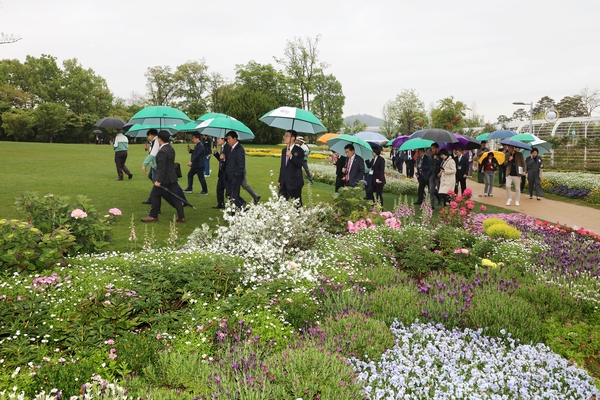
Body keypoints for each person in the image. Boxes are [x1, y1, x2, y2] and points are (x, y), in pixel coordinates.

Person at [141, 130, 185, 223]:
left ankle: (153, 216)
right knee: (175, 197)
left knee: (155, 194)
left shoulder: (162, 151)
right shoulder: (170, 148)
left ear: (159, 139)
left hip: (164, 178)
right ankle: (181, 216)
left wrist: (158, 180)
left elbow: (161, 168)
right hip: (171, 177)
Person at [278, 129, 305, 205]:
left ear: (293, 138)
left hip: (295, 182)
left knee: (297, 203)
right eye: (284, 136)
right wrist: (280, 180)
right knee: (281, 202)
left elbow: (300, 164)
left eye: (287, 136)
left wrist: (291, 156)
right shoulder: (284, 151)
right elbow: (282, 166)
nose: (284, 138)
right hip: (284, 182)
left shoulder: (299, 151)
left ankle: (299, 216)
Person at [224, 131, 247, 209]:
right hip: (229, 176)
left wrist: (235, 175)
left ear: (235, 139)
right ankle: (242, 208)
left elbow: (241, 165)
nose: (228, 141)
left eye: (229, 139)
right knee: (229, 194)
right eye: (227, 139)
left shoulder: (239, 149)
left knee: (234, 196)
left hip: (235, 177)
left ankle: (236, 213)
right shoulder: (231, 149)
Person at [141, 129, 159, 204]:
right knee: (151, 176)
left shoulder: (157, 141)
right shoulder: (154, 142)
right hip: (154, 165)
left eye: (148, 136)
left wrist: (144, 164)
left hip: (157, 165)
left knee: (157, 184)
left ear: (151, 135)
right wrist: (148, 149)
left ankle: (152, 199)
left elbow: (153, 154)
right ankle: (151, 198)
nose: (148, 138)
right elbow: (152, 152)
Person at [211, 137, 229, 209]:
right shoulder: (222, 147)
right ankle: (220, 203)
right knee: (219, 189)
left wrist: (224, 159)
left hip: (226, 173)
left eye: (219, 139)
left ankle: (241, 203)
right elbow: (221, 159)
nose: (217, 140)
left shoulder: (227, 147)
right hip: (221, 172)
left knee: (229, 191)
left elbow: (229, 160)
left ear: (223, 139)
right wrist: (216, 153)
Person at [429, 143, 442, 208]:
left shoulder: (440, 156)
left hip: (438, 176)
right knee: (431, 191)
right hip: (432, 175)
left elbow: (441, 165)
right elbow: (430, 165)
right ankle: (432, 205)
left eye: (434, 148)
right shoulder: (431, 156)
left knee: (440, 190)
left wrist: (437, 159)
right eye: (432, 148)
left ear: (437, 148)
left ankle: (442, 201)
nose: (432, 149)